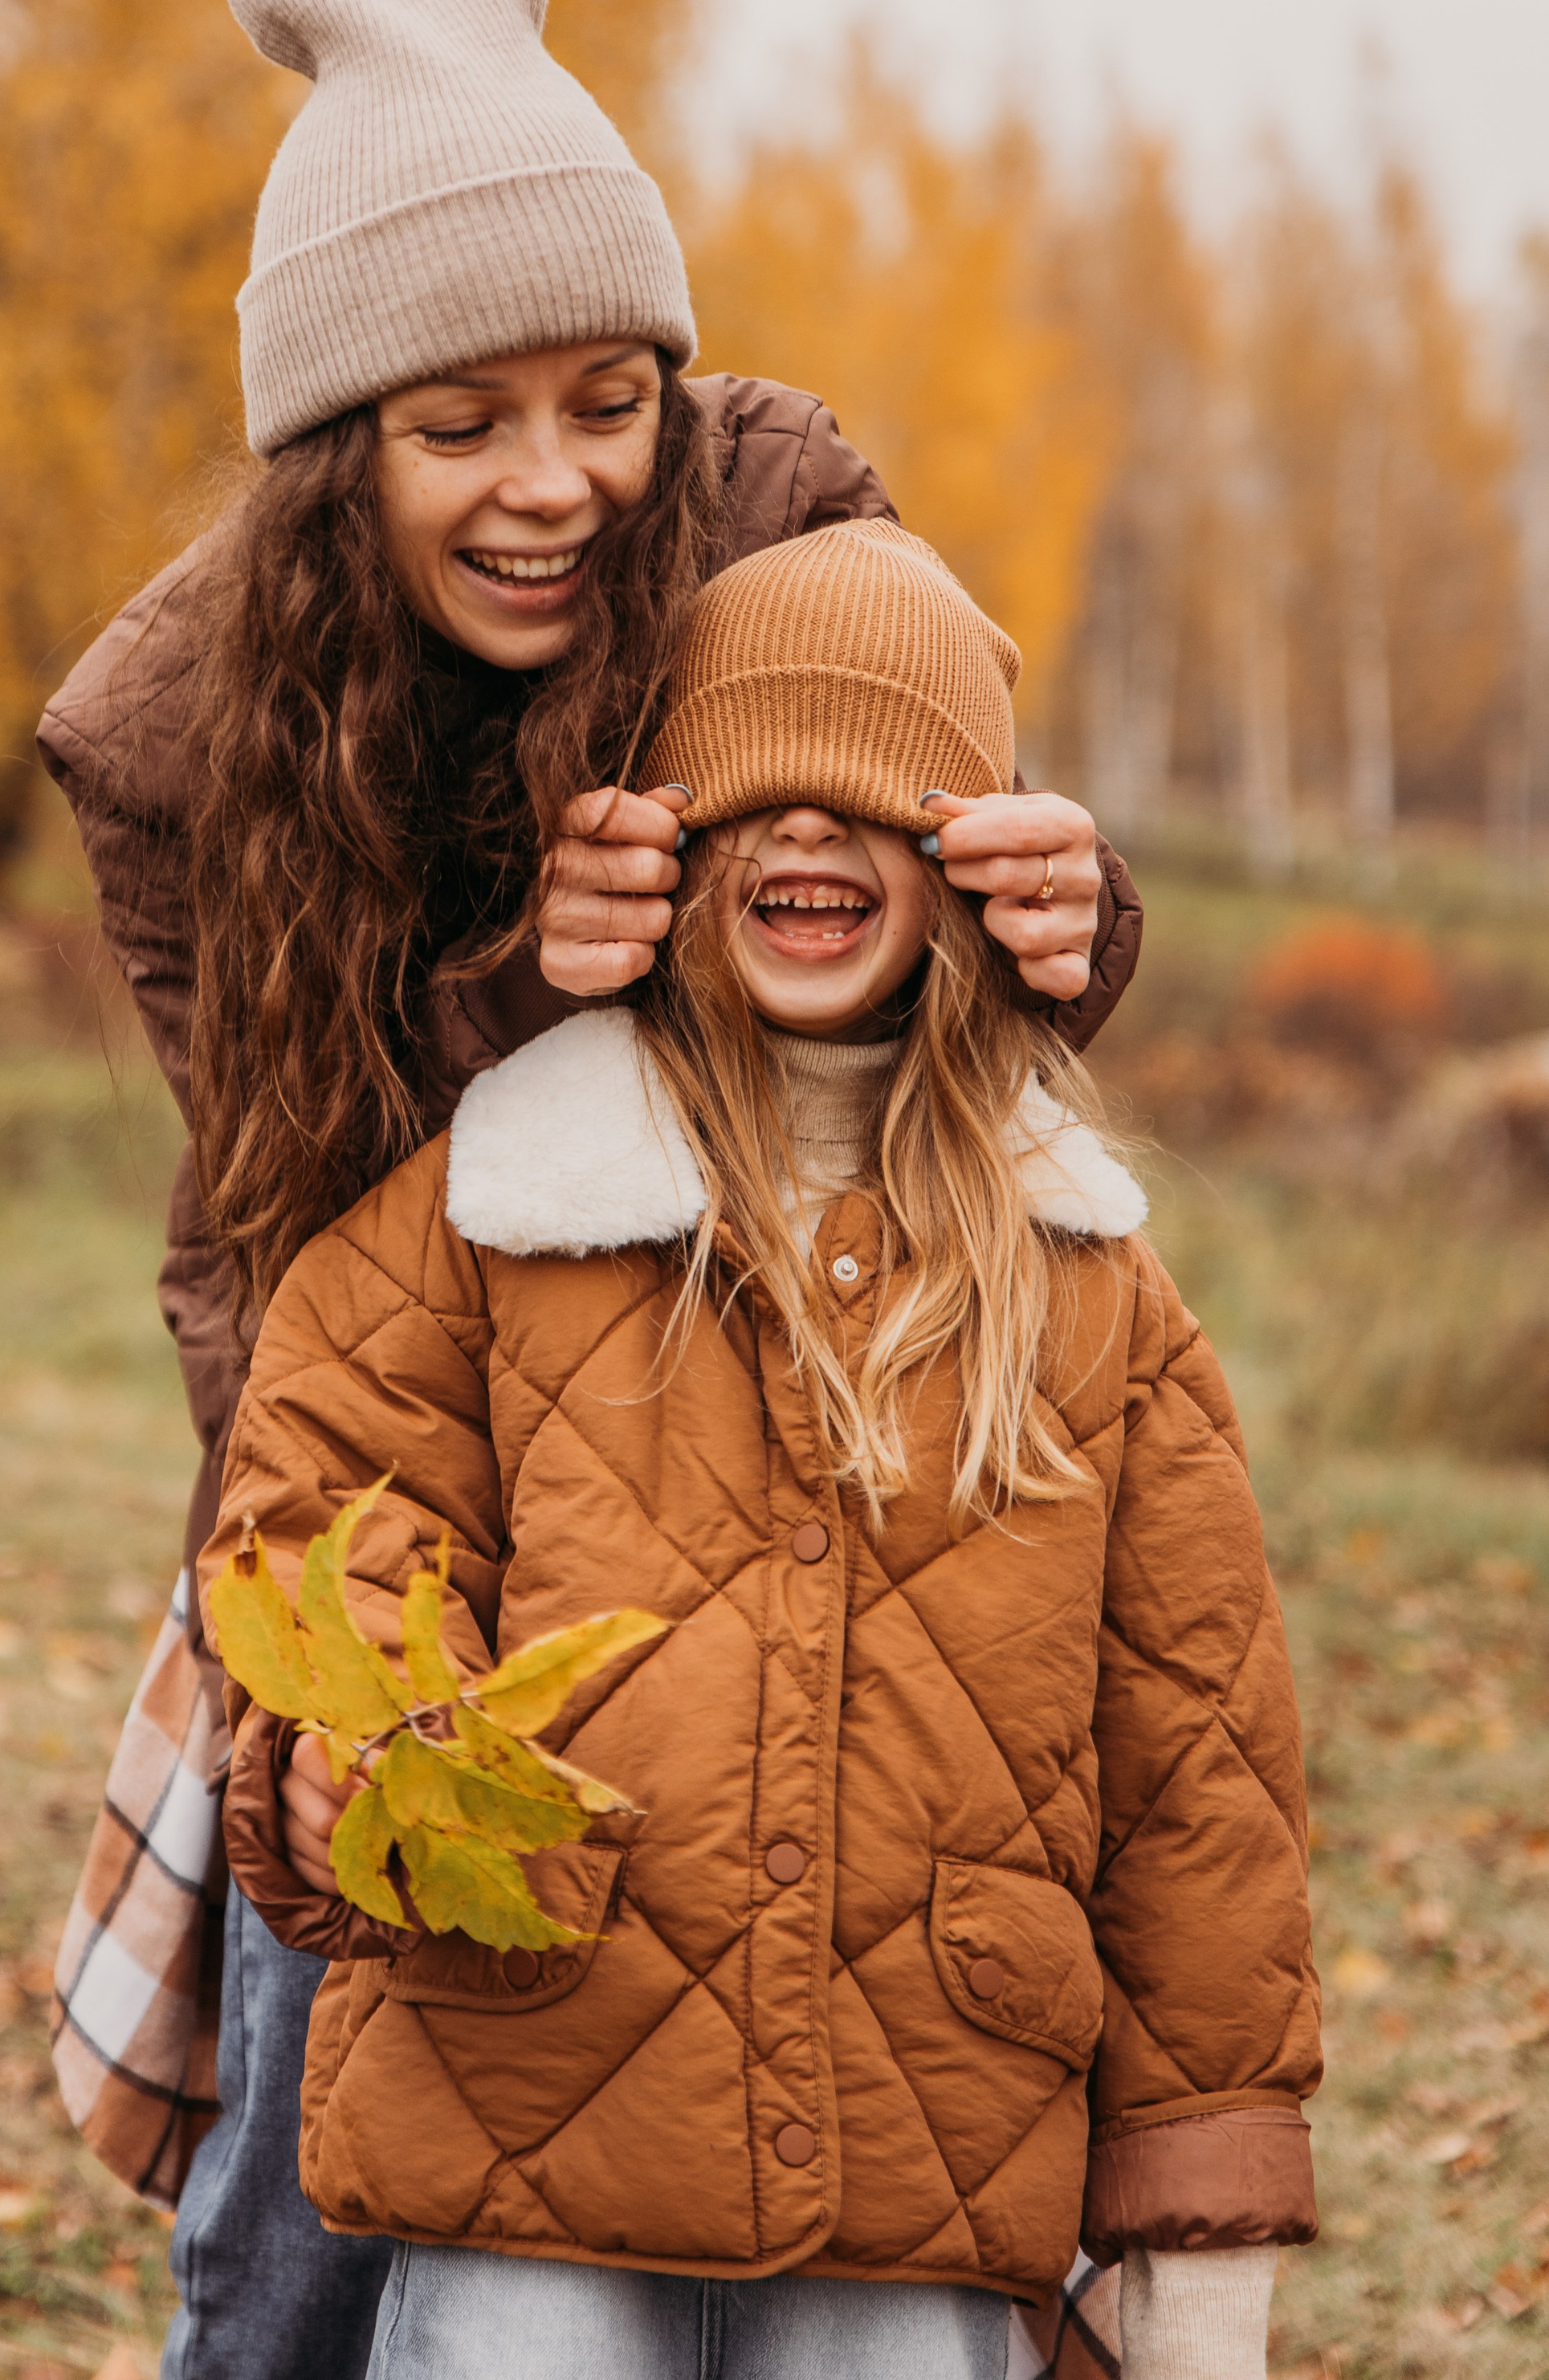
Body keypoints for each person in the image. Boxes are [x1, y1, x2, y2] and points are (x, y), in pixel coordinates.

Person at [38, 0, 1143, 2380]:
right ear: (337, 450)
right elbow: (291, 1226)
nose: (555, 484)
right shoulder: (176, 737)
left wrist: (1067, 918)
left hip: (799, 1435)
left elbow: (949, 918)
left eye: (605, 399)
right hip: (395, 1465)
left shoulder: (773, 514)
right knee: (327, 2174)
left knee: (852, 2136)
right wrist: (519, 987)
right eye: (461, 427)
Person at [210, 516, 1321, 2380]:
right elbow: (334, 1520)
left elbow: (1196, 1779)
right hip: (530, 2106)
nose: (806, 825)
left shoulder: (1083, 1286)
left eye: (877, 799)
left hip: (926, 2147)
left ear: (970, 868)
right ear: (664, 852)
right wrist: (354, 1754)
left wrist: (1199, 2225)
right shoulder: (491, 1211)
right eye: (747, 797)